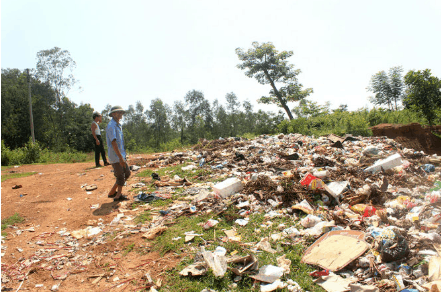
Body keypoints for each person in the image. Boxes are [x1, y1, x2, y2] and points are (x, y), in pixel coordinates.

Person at [106, 106, 131, 201]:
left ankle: (112, 191)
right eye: (118, 112)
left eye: (121, 112)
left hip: (121, 155)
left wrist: (123, 156)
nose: (120, 114)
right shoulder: (111, 126)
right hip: (116, 156)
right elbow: (113, 142)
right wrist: (120, 158)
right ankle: (118, 195)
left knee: (127, 173)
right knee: (121, 176)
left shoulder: (118, 125)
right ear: (113, 114)